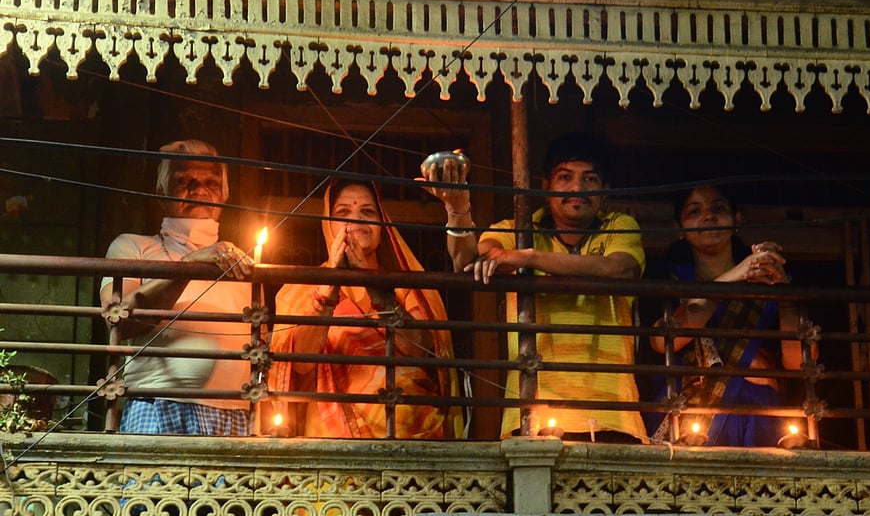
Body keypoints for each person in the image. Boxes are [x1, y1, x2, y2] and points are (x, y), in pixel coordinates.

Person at [422, 132, 646, 442]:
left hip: (612, 414)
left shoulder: (619, 225)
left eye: (590, 179)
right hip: (532, 414)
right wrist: (457, 208)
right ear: (546, 186)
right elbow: (468, 260)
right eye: (565, 177)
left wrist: (528, 258)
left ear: (605, 191)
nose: (576, 189)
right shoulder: (517, 230)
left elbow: (618, 268)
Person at [270, 178, 460, 439]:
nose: (356, 220)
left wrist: (374, 287)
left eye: (367, 212)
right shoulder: (302, 287)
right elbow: (299, 366)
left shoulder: (408, 284)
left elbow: (424, 352)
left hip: (411, 431)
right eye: (343, 212)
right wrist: (331, 286)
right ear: (328, 224)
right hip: (333, 439)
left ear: (382, 226)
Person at [100, 139, 253, 435]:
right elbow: (117, 319)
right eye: (185, 181)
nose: (199, 191)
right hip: (155, 402)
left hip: (231, 412)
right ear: (162, 193)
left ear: (224, 196)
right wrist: (189, 264)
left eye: (211, 182)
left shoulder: (241, 261)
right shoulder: (132, 246)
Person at [642, 184, 804, 446]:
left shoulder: (767, 278)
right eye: (695, 211)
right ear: (679, 226)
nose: (708, 216)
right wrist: (735, 277)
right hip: (689, 417)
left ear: (737, 219)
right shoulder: (667, 278)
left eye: (718, 208)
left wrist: (786, 298)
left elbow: (798, 362)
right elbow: (663, 341)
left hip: (758, 411)